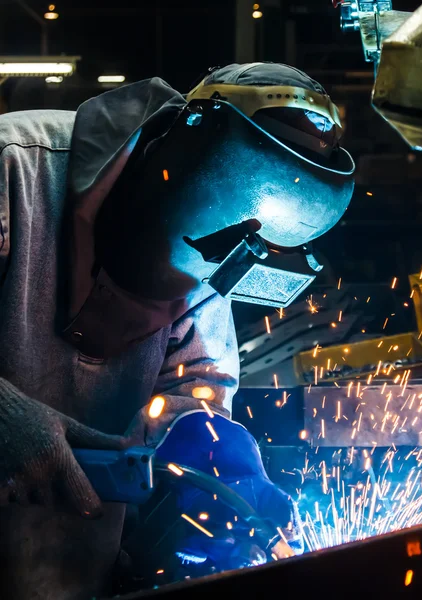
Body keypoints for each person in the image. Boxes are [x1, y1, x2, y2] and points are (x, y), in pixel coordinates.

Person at [0, 62, 355, 600]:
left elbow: (197, 387)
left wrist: (211, 456)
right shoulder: (13, 169)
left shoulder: (219, 246)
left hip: (68, 578)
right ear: (179, 146)